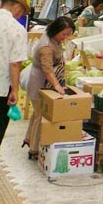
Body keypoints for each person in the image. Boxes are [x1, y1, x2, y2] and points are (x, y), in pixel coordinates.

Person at [23, 16, 75, 159]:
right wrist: (57, 85)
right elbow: (47, 70)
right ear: (56, 30)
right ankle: (34, 149)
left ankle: (29, 139)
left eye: (68, 34)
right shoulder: (46, 47)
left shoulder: (52, 38)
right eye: (63, 34)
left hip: (44, 81)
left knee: (37, 113)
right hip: (40, 82)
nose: (65, 37)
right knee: (41, 115)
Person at [0, 0, 30, 151]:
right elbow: (15, 64)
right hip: (1, 88)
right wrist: (15, 91)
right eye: (21, 12)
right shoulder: (17, 29)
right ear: (17, 7)